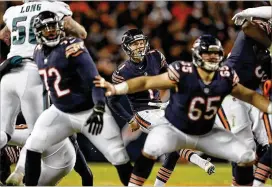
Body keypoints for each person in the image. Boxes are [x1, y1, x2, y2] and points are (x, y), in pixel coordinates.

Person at [94, 34, 272, 186]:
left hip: (207, 132)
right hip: (177, 127)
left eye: (215, 54)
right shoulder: (182, 71)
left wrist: (269, 107)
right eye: (207, 54)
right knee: (153, 146)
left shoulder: (225, 75)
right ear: (197, 55)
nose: (211, 58)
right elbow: (146, 82)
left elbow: (251, 96)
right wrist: (118, 89)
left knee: (245, 155)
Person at [24, 10, 132, 186]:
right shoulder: (37, 52)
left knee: (118, 155)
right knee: (33, 145)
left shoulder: (72, 46)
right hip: (60, 111)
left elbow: (95, 80)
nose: (50, 31)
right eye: (45, 28)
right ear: (38, 32)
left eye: (53, 26)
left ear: (59, 28)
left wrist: (98, 107)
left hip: (88, 111)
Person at [0, 0, 92, 185]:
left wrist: (19, 38)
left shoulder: (13, 11)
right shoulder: (53, 7)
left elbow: (4, 35)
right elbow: (80, 32)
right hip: (33, 71)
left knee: (3, 132)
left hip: (8, 72)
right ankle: (19, 173)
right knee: (37, 134)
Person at [108, 29, 215, 186]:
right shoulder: (122, 72)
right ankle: (200, 161)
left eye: (141, 43)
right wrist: (130, 119)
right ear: (127, 48)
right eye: (135, 44)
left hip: (160, 108)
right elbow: (113, 101)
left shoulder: (156, 56)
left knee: (173, 151)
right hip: (143, 113)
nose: (139, 47)